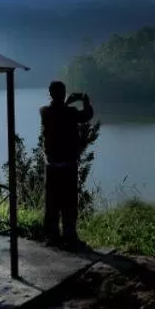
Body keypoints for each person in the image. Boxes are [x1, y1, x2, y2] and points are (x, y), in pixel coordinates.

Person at [39, 80, 94, 248]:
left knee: (52, 203)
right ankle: (70, 237)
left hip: (52, 166)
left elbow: (58, 111)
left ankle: (52, 237)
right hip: (69, 166)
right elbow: (87, 115)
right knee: (69, 203)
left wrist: (66, 103)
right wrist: (85, 100)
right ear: (63, 94)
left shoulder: (44, 112)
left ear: (50, 93)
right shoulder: (70, 113)